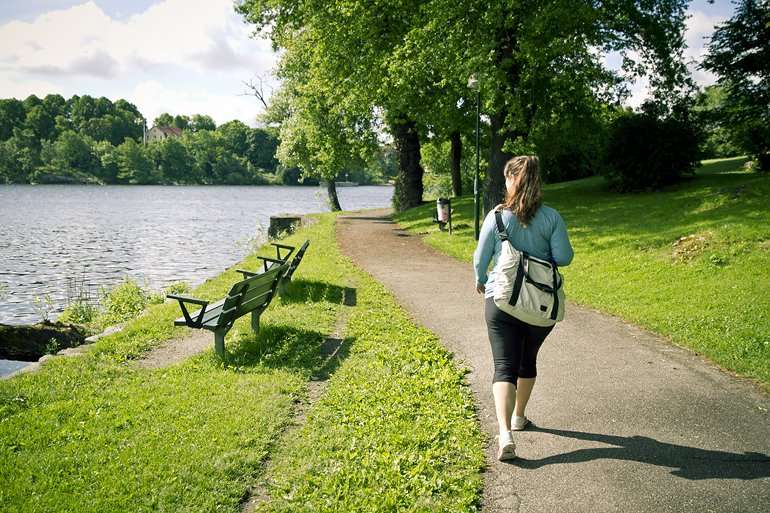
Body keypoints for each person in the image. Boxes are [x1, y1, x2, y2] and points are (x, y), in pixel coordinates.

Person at [473, 155, 574, 461]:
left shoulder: (497, 216)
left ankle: (505, 434)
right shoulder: (552, 217)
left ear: (511, 180)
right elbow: (565, 257)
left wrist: (480, 279)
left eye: (506, 178)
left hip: (501, 299)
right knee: (527, 359)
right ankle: (519, 416)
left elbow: (481, 257)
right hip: (540, 305)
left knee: (504, 365)